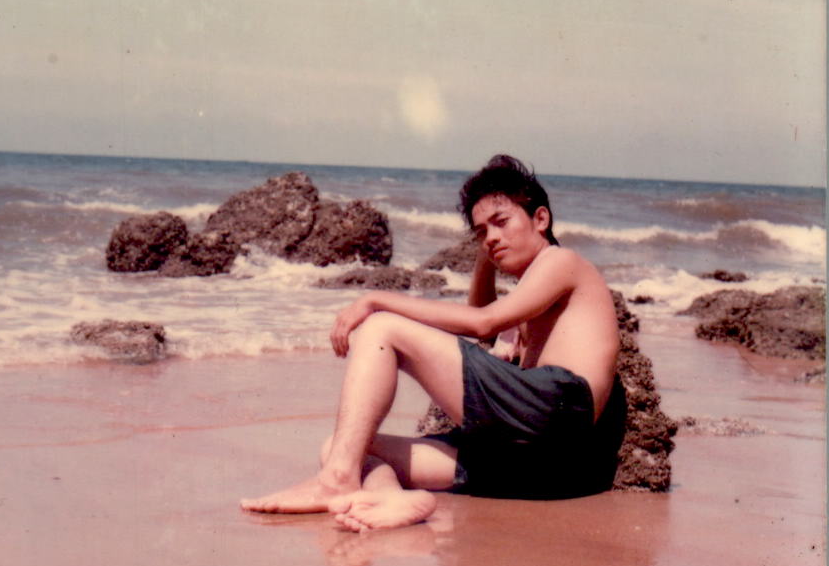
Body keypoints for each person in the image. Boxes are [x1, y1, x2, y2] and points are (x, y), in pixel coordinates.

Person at [240, 155, 627, 532]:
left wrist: (376, 299)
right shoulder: (531, 287)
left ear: (540, 219)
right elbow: (484, 321)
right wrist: (487, 254)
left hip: (558, 416)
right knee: (343, 448)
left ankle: (336, 482)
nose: (491, 238)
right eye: (481, 232)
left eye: (501, 222)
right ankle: (391, 497)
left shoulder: (561, 261)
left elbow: (483, 322)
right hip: (537, 465)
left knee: (382, 327)